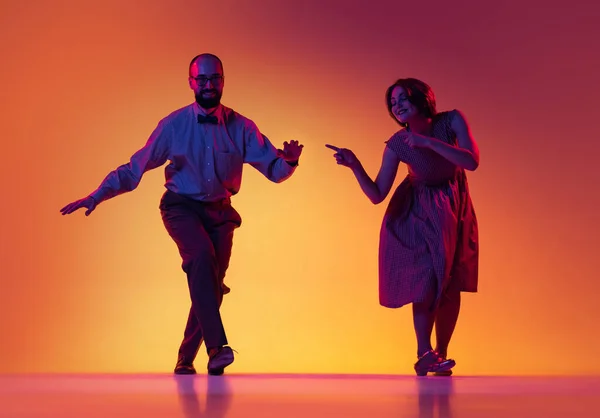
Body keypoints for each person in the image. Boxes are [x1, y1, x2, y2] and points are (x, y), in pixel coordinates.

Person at [60, 53, 303, 376]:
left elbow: (274, 170)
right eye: (201, 79)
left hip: (221, 212)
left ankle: (185, 359)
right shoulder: (173, 126)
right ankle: (218, 348)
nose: (208, 85)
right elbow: (135, 168)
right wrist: (97, 195)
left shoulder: (242, 127)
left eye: (214, 78)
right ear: (191, 83)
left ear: (223, 81)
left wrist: (289, 161)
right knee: (201, 258)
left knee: (211, 286)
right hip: (181, 207)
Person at [326, 78, 479, 376]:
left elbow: (471, 161)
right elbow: (376, 194)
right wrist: (355, 164)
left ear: (422, 97)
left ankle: (440, 354)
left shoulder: (452, 120)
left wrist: (428, 142)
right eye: (392, 103)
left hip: (454, 205)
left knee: (450, 281)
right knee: (424, 279)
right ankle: (424, 352)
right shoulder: (397, 144)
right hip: (416, 211)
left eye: (401, 98)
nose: (396, 106)